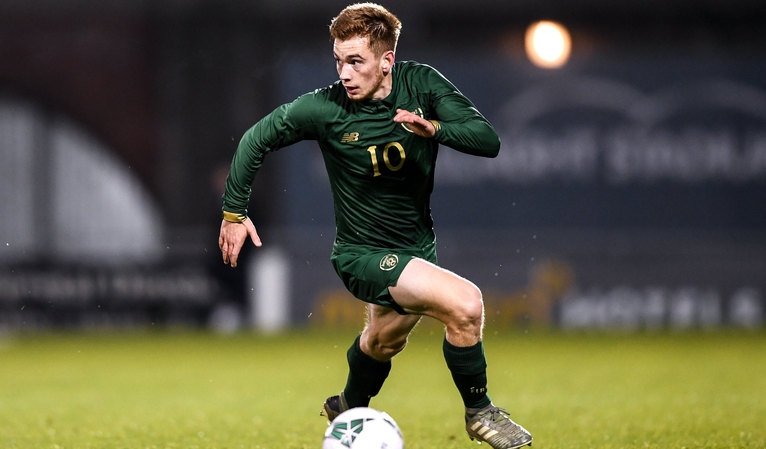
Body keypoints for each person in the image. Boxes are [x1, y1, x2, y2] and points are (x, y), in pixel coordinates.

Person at [218, 3, 532, 448]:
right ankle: (480, 413)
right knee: (466, 306)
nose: (344, 73)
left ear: (387, 61)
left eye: (356, 61)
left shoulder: (421, 84)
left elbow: (488, 141)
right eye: (339, 61)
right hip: (360, 254)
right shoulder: (326, 108)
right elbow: (257, 138)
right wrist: (234, 213)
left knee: (383, 341)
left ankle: (348, 405)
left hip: (417, 248)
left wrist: (435, 129)